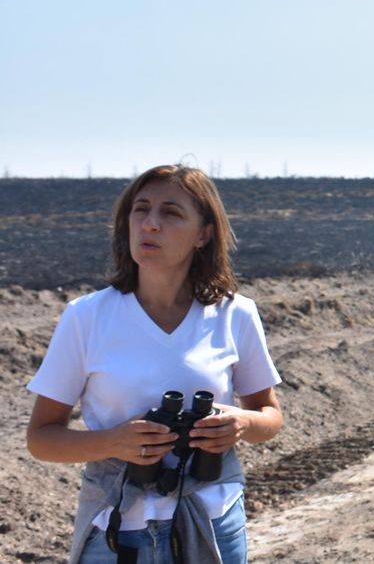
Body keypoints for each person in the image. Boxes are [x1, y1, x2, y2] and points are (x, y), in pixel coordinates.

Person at [26, 165, 283, 564]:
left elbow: (270, 416)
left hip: (212, 524)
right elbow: (41, 438)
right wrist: (115, 442)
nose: (150, 224)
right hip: (115, 532)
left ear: (204, 234)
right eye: (141, 209)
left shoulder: (236, 314)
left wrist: (241, 424)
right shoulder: (87, 316)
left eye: (171, 212)